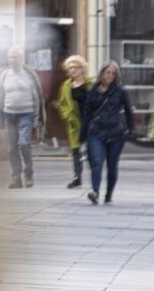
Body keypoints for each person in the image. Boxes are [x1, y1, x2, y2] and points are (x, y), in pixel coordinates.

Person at [0, 46, 45, 189]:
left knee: (24, 144)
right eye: (10, 57)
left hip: (26, 114)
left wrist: (37, 116)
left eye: (15, 57)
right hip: (9, 114)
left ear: (21, 58)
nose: (12, 60)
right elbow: (0, 94)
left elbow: (37, 96)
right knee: (11, 148)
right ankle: (16, 178)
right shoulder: (4, 74)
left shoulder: (29, 74)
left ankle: (28, 174)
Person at [82, 61, 133, 205]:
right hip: (96, 131)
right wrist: (82, 134)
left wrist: (129, 129)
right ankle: (95, 192)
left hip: (115, 133)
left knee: (112, 165)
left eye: (113, 73)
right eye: (107, 72)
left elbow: (128, 111)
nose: (110, 76)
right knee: (97, 162)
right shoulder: (92, 91)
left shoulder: (120, 91)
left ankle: (109, 195)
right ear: (101, 73)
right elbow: (86, 113)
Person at [57, 56, 93, 189]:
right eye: (70, 68)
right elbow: (62, 104)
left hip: (90, 121)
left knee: (91, 149)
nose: (72, 70)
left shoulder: (91, 84)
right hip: (74, 122)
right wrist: (67, 116)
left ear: (82, 68)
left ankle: (95, 176)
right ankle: (77, 178)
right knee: (76, 150)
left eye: (75, 67)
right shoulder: (66, 86)